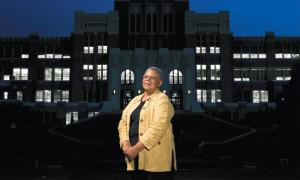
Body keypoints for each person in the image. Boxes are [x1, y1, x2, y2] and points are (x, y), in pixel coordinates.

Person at [118, 66, 177, 180]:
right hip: (134, 160)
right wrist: (125, 145)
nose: (147, 79)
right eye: (145, 76)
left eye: (153, 78)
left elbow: (157, 128)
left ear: (160, 83)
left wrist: (135, 149)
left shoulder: (163, 100)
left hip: (157, 163)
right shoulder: (135, 100)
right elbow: (123, 122)